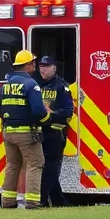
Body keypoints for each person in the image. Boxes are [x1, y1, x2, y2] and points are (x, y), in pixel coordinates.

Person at [0, 50, 49, 210]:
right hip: (27, 133)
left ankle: (7, 201)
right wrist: (48, 119)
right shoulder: (31, 85)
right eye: (32, 63)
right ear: (26, 66)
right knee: (35, 163)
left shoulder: (5, 86)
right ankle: (32, 202)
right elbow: (39, 111)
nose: (34, 66)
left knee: (12, 165)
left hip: (8, 132)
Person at [36, 55, 74, 208]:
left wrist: (51, 113)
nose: (42, 69)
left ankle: (42, 200)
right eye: (40, 66)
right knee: (49, 169)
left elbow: (68, 112)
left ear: (54, 68)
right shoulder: (36, 85)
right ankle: (59, 202)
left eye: (46, 66)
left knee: (51, 168)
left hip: (55, 134)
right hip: (40, 133)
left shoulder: (62, 87)